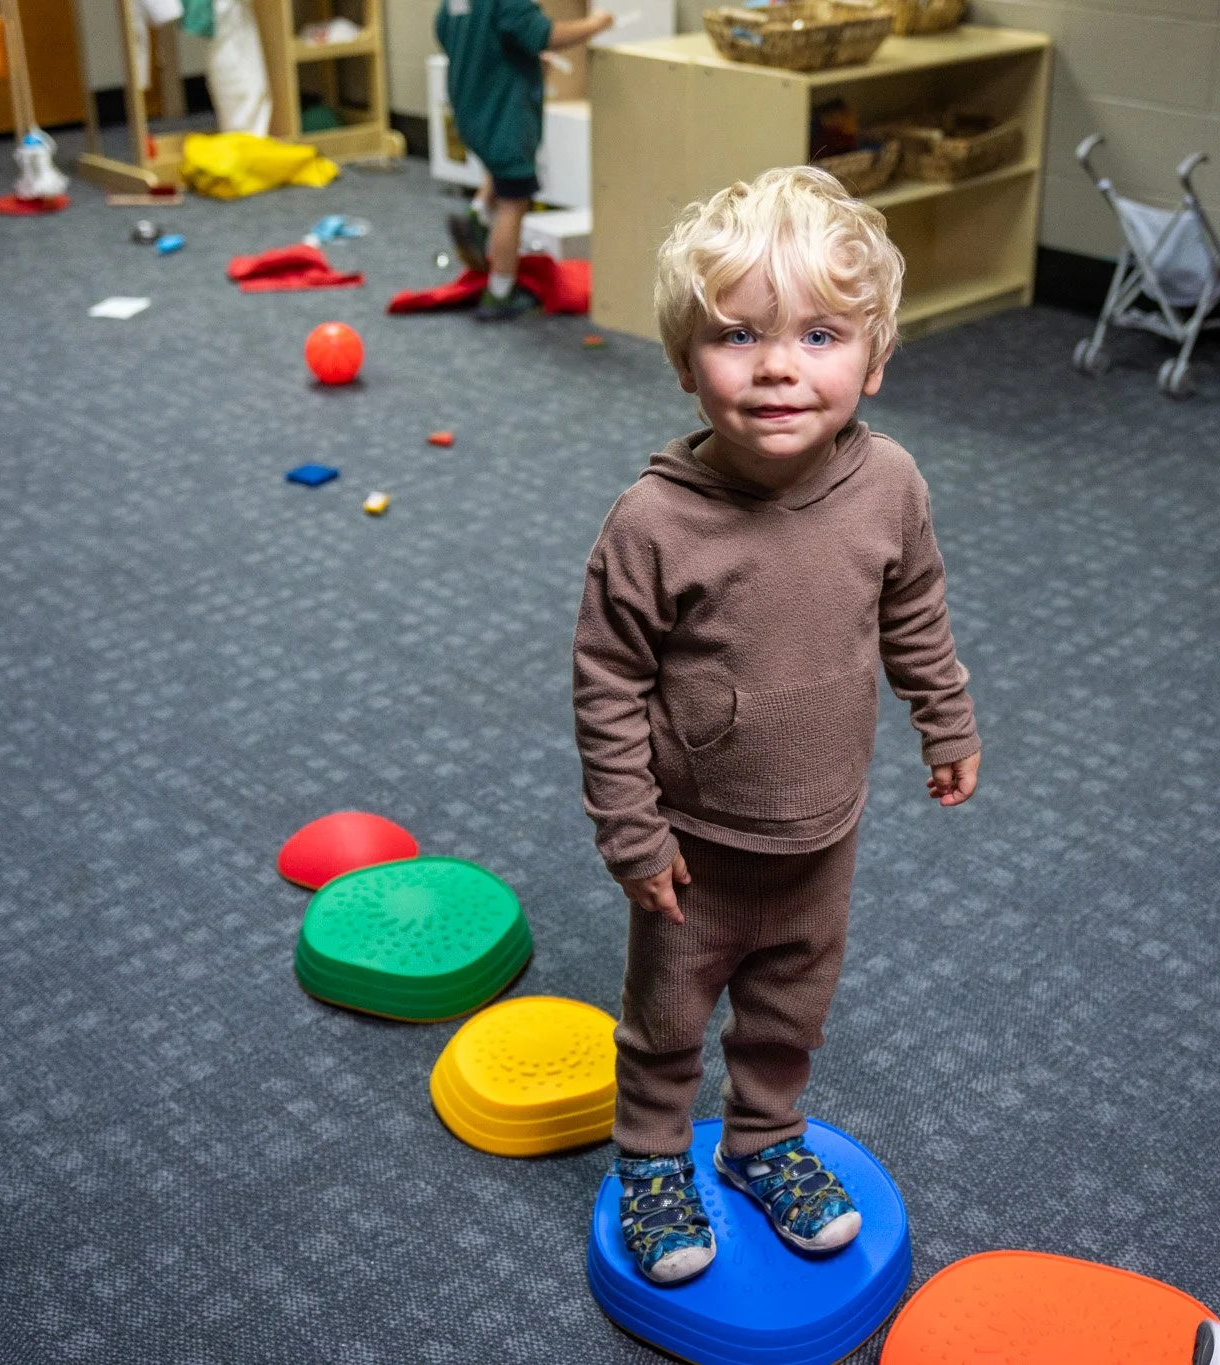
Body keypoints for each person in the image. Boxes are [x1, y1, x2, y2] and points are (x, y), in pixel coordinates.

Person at [572, 166, 981, 1285]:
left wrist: (942, 717)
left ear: (875, 359)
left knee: (789, 1008)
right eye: (736, 336)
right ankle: (652, 1160)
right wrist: (630, 833)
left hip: (822, 834)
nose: (777, 368)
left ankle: (762, 1142)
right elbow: (605, 680)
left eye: (818, 334)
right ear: (681, 363)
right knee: (666, 1018)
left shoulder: (890, 483)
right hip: (692, 851)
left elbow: (912, 607)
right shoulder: (653, 522)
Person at [434, 0, 612, 320]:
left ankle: (477, 218)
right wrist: (596, 25)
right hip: (504, 113)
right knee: (514, 200)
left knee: (499, 170)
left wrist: (508, 53)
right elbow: (544, 34)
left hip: (471, 108)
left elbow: (447, 31)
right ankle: (500, 292)